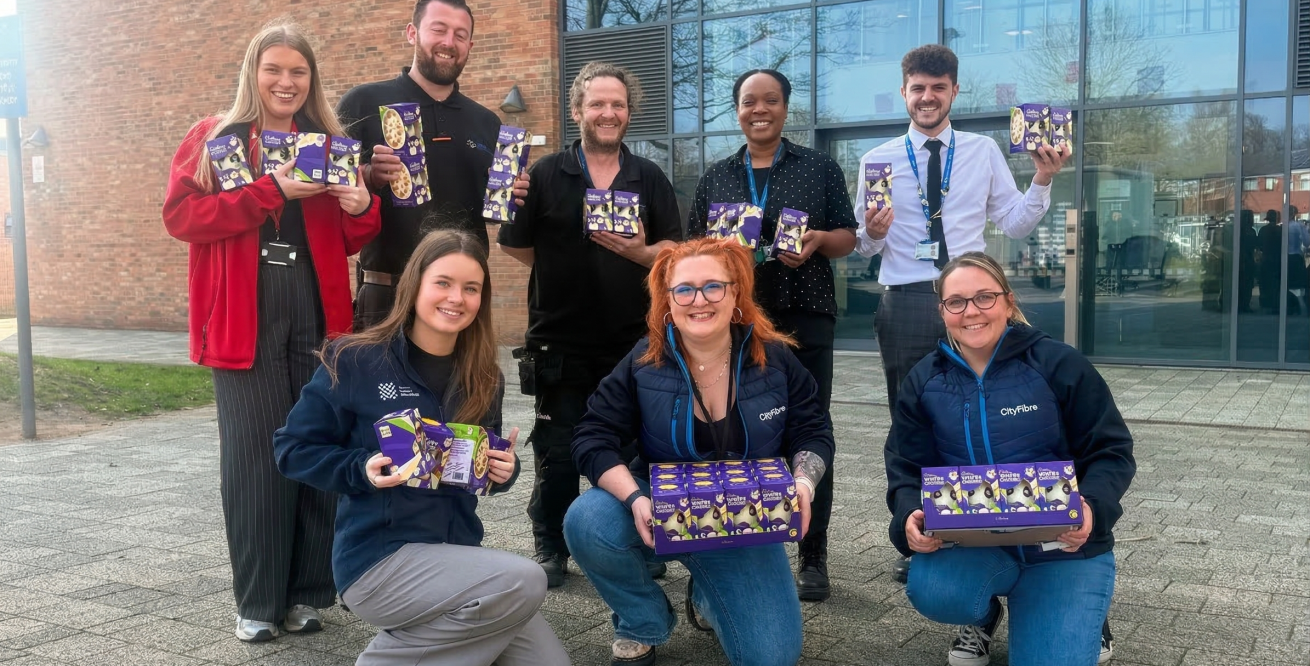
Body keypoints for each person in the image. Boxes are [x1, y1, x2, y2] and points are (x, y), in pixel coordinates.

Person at [161, 22, 380, 642]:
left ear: (312, 80)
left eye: (298, 72)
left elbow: (351, 237)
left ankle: (306, 593)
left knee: (316, 444)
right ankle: (257, 601)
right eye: (274, 70)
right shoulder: (214, 139)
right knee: (255, 457)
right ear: (252, 74)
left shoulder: (329, 144)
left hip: (315, 307)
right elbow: (182, 217)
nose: (286, 82)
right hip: (244, 313)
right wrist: (271, 189)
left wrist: (363, 205)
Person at [273, 230, 571, 665]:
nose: (456, 298)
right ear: (414, 285)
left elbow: (477, 471)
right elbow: (291, 449)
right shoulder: (354, 359)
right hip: (379, 560)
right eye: (443, 283)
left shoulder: (484, 377)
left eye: (471, 288)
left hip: (457, 559)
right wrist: (361, 468)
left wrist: (502, 471)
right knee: (524, 580)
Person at [853, 44, 1070, 588]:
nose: (927, 97)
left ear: (953, 91)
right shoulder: (877, 160)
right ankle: (919, 530)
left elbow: (1014, 223)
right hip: (906, 299)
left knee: (989, 411)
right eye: (918, 88)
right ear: (904, 92)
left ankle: (992, 521)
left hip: (973, 299)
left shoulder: (982, 151)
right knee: (912, 421)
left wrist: (1042, 181)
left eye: (938, 88)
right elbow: (862, 244)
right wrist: (871, 234)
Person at [563, 237, 834, 666]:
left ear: (735, 293)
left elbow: (813, 432)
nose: (699, 300)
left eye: (713, 286)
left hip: (745, 519)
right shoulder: (644, 360)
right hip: (658, 508)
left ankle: (706, 594)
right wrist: (634, 498)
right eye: (684, 290)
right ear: (668, 300)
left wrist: (803, 482)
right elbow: (592, 436)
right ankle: (642, 620)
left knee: (771, 657)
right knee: (588, 521)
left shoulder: (776, 360)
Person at [884, 252, 1135, 666]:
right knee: (935, 590)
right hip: (972, 544)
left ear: (1008, 301)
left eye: (984, 297)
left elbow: (1111, 451)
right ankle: (982, 614)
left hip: (1063, 547)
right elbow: (906, 466)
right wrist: (910, 513)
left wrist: (1091, 507)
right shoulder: (924, 379)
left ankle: (1083, 614)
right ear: (942, 311)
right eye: (956, 302)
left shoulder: (1058, 363)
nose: (971, 312)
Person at [497, 62, 683, 587]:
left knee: (634, 448)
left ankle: (635, 539)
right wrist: (563, 269)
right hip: (559, 340)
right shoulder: (544, 174)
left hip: (633, 341)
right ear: (578, 110)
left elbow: (675, 249)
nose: (608, 113)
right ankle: (551, 543)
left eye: (617, 104)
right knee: (556, 450)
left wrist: (639, 252)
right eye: (597, 103)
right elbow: (514, 245)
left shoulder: (648, 176)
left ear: (629, 113)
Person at [686, 68, 856, 602]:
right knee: (735, 426)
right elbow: (692, 249)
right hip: (734, 321)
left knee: (809, 427)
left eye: (771, 100)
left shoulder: (819, 167)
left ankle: (812, 550)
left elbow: (848, 237)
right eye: (749, 102)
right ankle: (739, 536)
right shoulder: (717, 175)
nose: (759, 110)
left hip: (805, 314)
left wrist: (818, 240)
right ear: (737, 109)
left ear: (785, 107)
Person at [337, 0, 502, 328]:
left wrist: (508, 196)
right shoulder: (362, 103)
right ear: (412, 33)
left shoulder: (487, 122)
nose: (449, 42)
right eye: (439, 30)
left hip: (459, 298)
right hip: (387, 293)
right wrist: (369, 175)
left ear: (470, 46)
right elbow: (329, 187)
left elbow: (491, 216)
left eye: (460, 35)